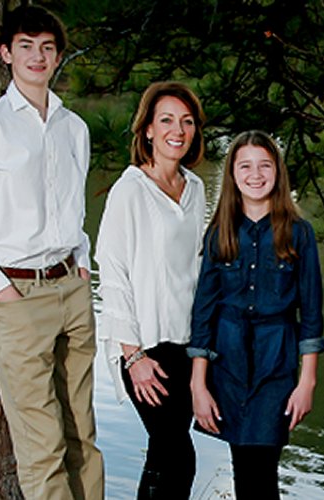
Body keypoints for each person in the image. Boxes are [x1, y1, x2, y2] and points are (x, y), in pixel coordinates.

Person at [0, 5, 103, 499]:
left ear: (57, 58)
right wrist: (0, 290)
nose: (37, 56)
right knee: (42, 447)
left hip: (71, 290)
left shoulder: (74, 128)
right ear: (7, 53)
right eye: (26, 46)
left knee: (83, 438)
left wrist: (82, 263)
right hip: (17, 296)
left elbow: (75, 215)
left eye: (47, 48)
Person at [188, 130, 324, 500]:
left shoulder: (299, 233)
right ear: (232, 173)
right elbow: (203, 313)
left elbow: (311, 314)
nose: (255, 174)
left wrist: (307, 382)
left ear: (278, 172)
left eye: (265, 165)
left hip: (275, 366)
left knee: (261, 472)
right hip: (228, 366)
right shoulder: (219, 233)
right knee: (242, 470)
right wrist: (198, 386)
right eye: (245, 165)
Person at [94, 81, 206, 499]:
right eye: (166, 121)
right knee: (176, 455)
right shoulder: (129, 190)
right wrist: (133, 355)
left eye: (187, 121)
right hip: (144, 349)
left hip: (185, 347)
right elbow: (113, 273)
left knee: (169, 456)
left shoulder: (194, 188)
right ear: (147, 130)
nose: (177, 130)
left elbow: (195, 268)